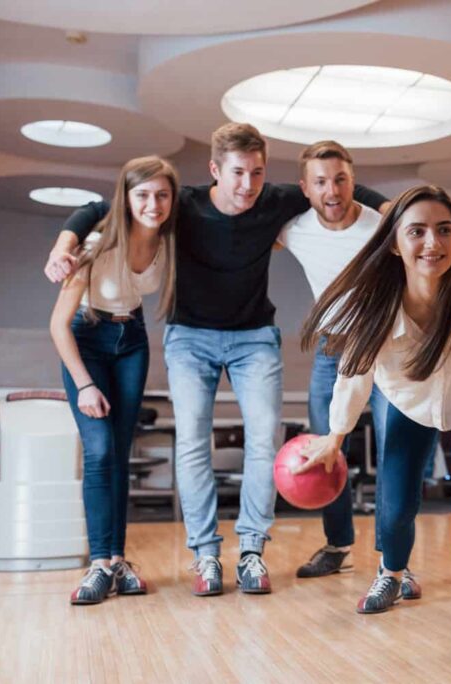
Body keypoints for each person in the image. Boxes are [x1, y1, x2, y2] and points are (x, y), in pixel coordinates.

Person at [44, 123, 388, 597]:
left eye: (257, 173)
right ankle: (205, 555)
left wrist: (391, 209)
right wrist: (64, 246)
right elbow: (99, 209)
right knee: (191, 443)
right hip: (190, 337)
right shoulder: (180, 204)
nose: (248, 185)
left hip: (254, 338)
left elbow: (336, 184)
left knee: (264, 438)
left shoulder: (275, 199)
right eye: (238, 173)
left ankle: (251, 550)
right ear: (214, 170)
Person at [298, 185, 451, 667]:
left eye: (445, 230)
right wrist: (335, 437)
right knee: (396, 504)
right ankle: (394, 572)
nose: (432, 243)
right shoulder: (372, 302)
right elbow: (354, 375)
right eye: (417, 231)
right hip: (409, 401)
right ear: (395, 242)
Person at [278, 140, 421, 597]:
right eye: (320, 182)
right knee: (326, 450)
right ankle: (338, 546)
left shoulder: (382, 225)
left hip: (385, 349)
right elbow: (244, 217)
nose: (332, 191)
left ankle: (394, 561)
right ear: (305, 188)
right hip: (330, 350)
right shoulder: (293, 228)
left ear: (353, 180)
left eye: (340, 179)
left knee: (393, 448)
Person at [49, 156, 179, 605]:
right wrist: (84, 384)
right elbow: (58, 325)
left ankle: (117, 560)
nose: (153, 204)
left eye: (162, 194)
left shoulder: (169, 240)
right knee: (100, 450)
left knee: (120, 453)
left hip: (133, 341)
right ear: (126, 197)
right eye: (143, 194)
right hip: (87, 341)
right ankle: (98, 564)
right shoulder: (98, 242)